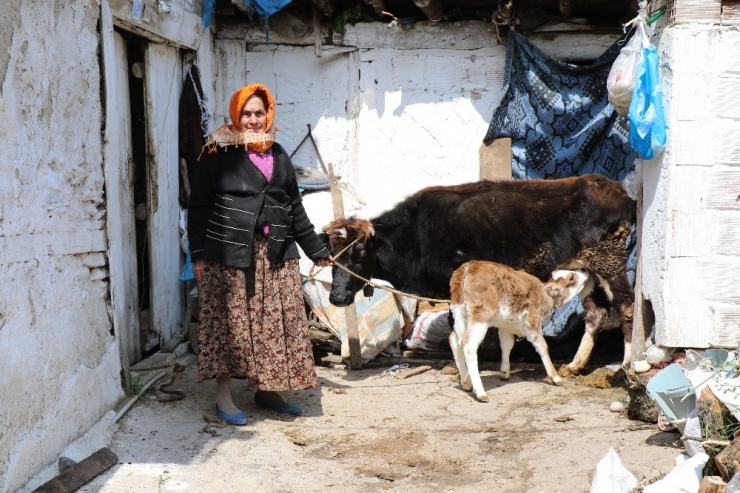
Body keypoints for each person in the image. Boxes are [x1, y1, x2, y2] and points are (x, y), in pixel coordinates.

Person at [188, 83, 333, 425]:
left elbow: (294, 207)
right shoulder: (216, 154)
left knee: (273, 324)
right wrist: (197, 254)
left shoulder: (279, 153)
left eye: (259, 114)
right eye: (246, 114)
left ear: (268, 115)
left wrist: (317, 251)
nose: (253, 120)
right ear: (235, 115)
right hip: (229, 255)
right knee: (230, 326)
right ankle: (224, 397)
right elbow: (198, 208)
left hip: (276, 255)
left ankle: (267, 390)